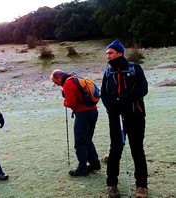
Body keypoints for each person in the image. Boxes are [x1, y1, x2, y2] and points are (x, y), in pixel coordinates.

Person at [101, 39, 148, 198]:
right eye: (107, 53)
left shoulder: (135, 68)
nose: (108, 56)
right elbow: (104, 94)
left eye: (110, 53)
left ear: (120, 53)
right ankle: (112, 185)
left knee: (137, 151)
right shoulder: (107, 72)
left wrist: (122, 100)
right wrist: (111, 107)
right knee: (115, 151)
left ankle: (141, 186)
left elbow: (143, 89)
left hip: (135, 116)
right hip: (116, 118)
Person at [50, 69, 101, 176]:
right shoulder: (76, 78)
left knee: (80, 141)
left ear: (59, 77)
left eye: (56, 82)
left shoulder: (68, 83)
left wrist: (65, 102)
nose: (57, 84)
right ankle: (95, 163)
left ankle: (82, 167)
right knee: (87, 139)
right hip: (93, 111)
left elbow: (72, 103)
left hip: (83, 114)